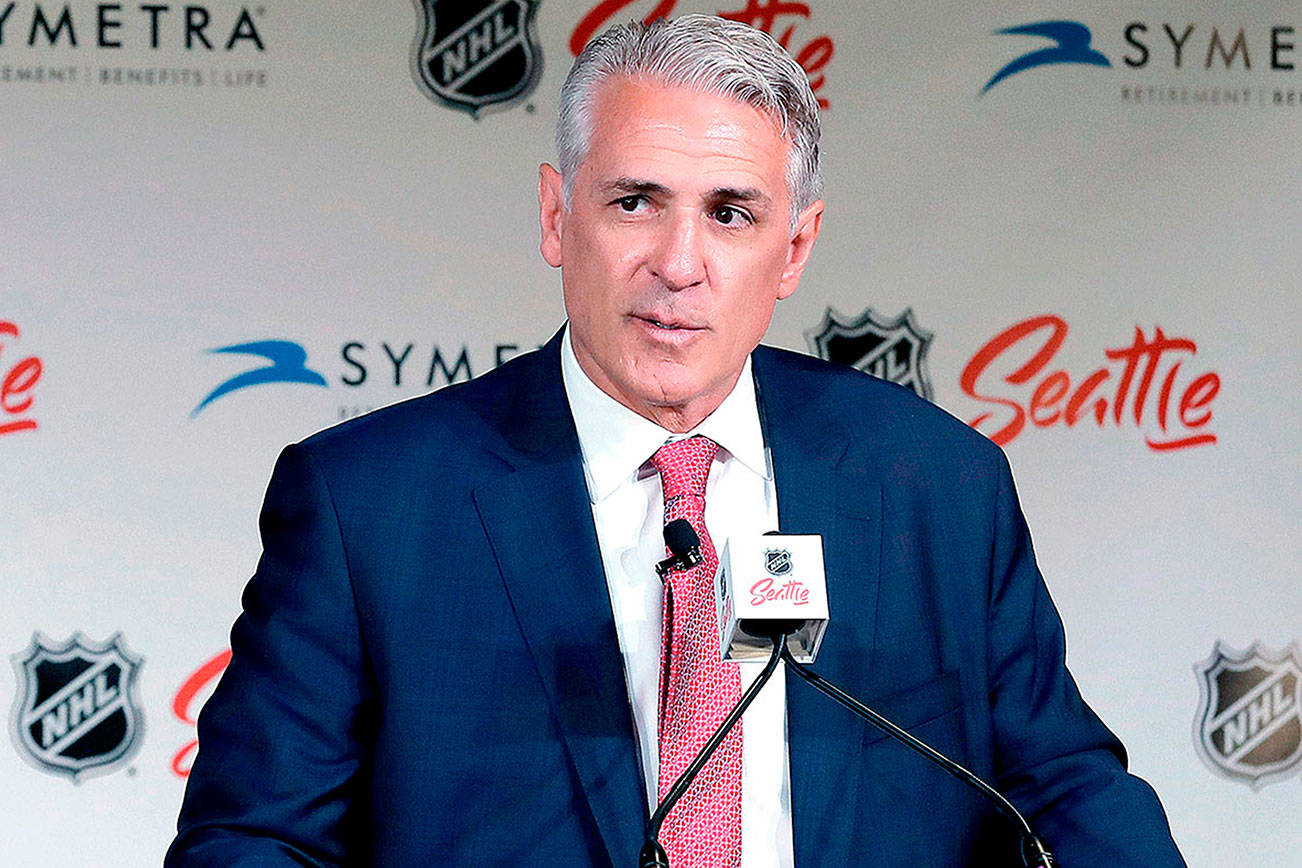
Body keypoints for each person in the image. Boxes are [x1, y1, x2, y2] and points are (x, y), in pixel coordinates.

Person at [167, 15, 1185, 867]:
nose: (680, 262)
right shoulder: (370, 505)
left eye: (731, 213)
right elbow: (252, 839)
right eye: (635, 201)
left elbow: (1064, 787)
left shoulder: (934, 484)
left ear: (794, 249)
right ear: (557, 217)